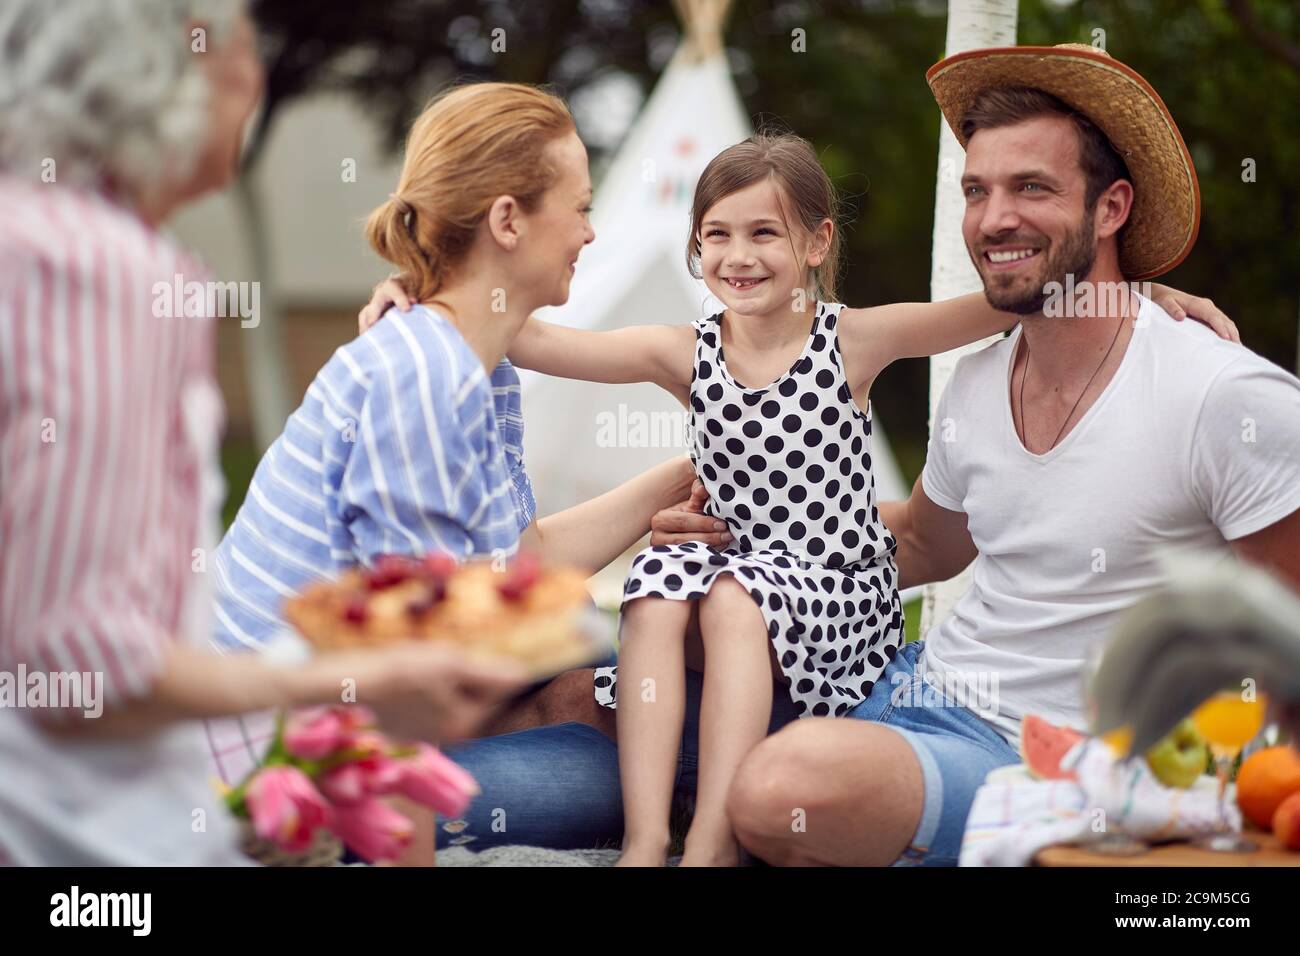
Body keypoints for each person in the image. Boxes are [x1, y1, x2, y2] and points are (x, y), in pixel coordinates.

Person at [361, 128, 1232, 863]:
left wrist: (1134, 288)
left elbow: (998, 306)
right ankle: (641, 837)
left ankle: (711, 838)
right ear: (696, 249)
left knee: (734, 595)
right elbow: (545, 343)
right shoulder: (684, 351)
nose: (739, 257)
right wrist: (432, 299)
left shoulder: (850, 339)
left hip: (835, 595)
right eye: (718, 237)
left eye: (764, 235)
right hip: (740, 581)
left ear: (816, 243)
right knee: (655, 589)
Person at [724, 44, 1300, 867]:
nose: (994, 219)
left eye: (1032, 187)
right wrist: (734, 535)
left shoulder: (1223, 395)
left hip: (1053, 759)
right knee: (617, 694)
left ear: (1111, 209)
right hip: (908, 690)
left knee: (783, 791)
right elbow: (922, 544)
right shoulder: (975, 382)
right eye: (977, 190)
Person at [0, 0, 525, 866]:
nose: (254, 76)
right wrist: (343, 683)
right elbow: (82, 665)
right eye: (242, 46)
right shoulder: (95, 270)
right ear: (174, 70)